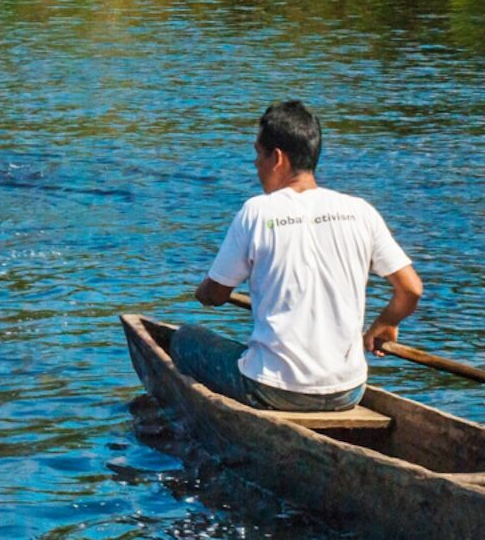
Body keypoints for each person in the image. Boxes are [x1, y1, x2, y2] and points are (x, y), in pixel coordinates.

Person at [171, 101, 423, 412]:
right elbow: (411, 290)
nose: (255, 163)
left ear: (277, 158)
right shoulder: (360, 211)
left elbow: (216, 294)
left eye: (258, 154)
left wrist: (203, 292)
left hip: (273, 389)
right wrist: (385, 323)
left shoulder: (257, 211)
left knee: (184, 339)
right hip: (348, 390)